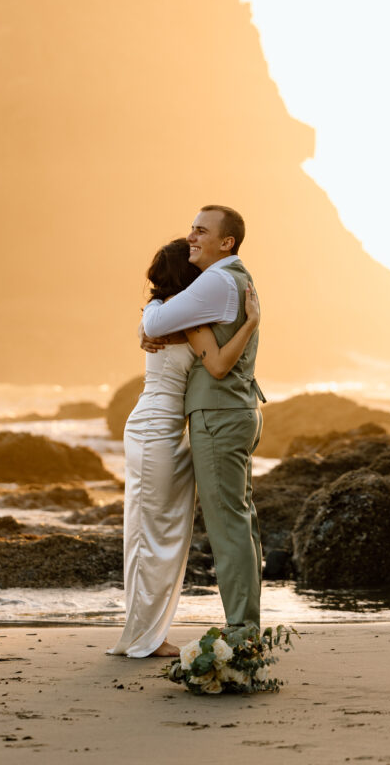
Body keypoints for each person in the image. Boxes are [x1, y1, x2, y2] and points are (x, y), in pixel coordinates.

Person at [108, 236, 260, 658]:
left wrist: (146, 324)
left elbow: (151, 324)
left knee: (153, 534)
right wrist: (250, 323)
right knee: (156, 535)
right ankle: (145, 637)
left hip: (155, 427)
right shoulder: (182, 320)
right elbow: (216, 364)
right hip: (157, 430)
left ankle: (142, 632)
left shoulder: (161, 314)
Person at [141, 205, 265, 631]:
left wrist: (149, 323)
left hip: (219, 415)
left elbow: (157, 321)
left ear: (225, 242)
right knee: (242, 522)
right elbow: (185, 333)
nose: (191, 237)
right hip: (237, 410)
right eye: (191, 230)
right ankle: (246, 626)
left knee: (228, 526)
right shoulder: (237, 278)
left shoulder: (215, 281)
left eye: (200, 231)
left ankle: (242, 632)